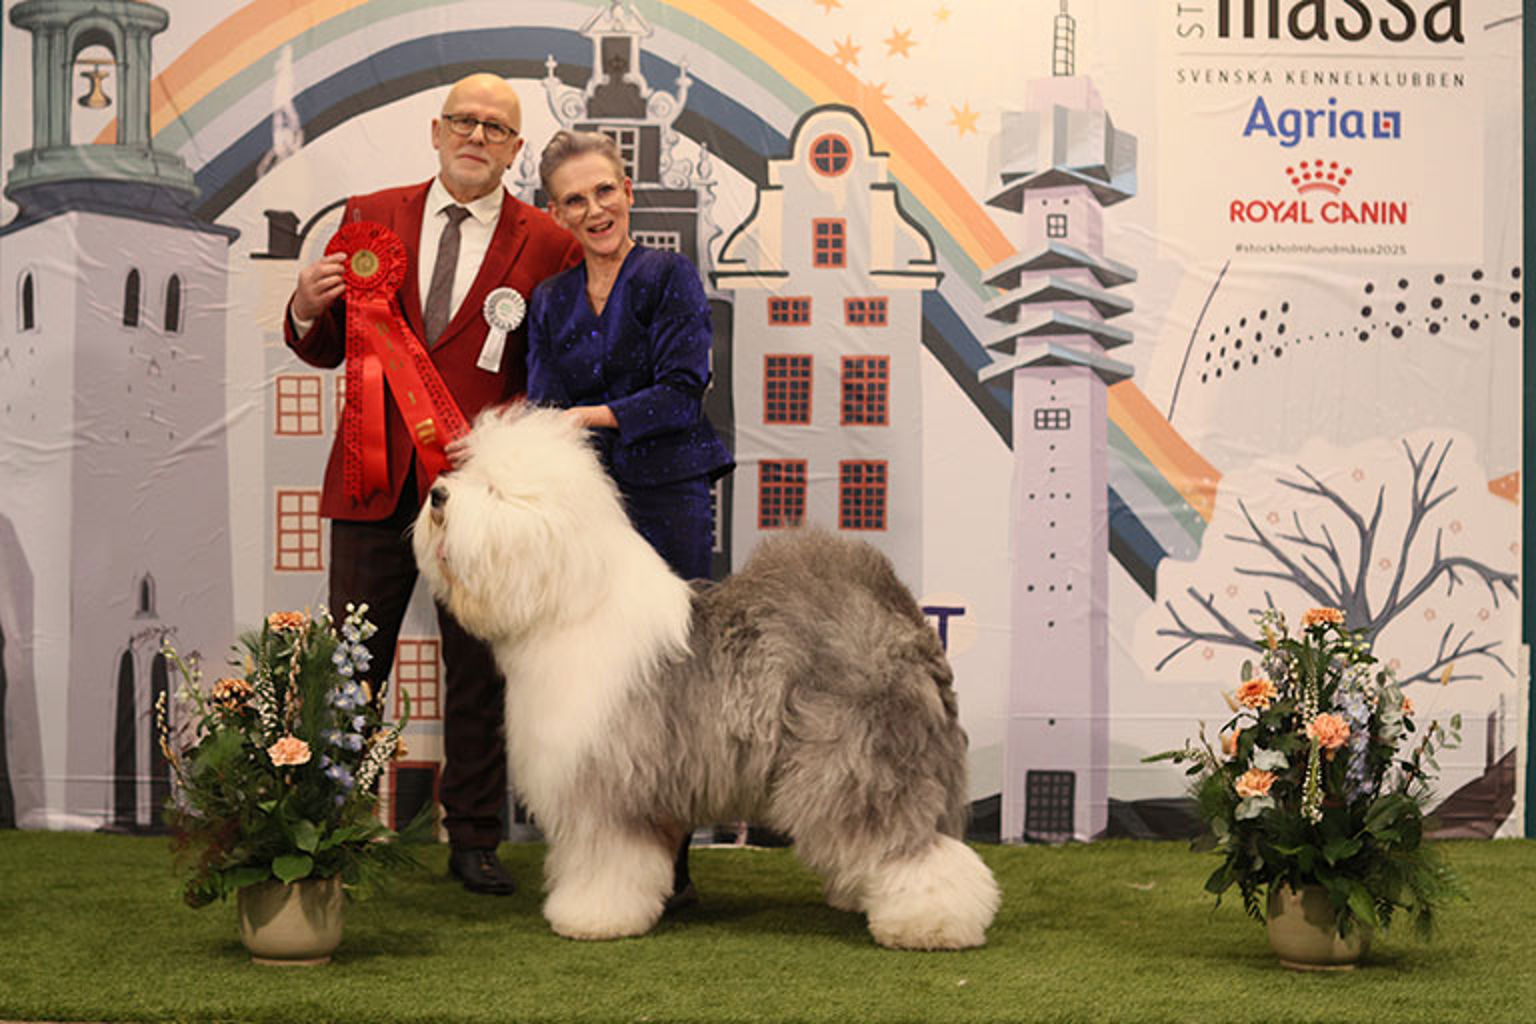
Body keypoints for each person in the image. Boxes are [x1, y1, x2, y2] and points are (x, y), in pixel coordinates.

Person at [284, 73, 581, 895]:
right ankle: (320, 832)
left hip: (485, 503)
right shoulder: (368, 215)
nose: (477, 136)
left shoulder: (549, 244)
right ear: (436, 130)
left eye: (496, 128)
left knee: (479, 678)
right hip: (372, 480)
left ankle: (475, 838)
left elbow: (550, 375)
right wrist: (305, 306)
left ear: (516, 151)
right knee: (351, 670)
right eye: (464, 121)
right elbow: (328, 346)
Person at [527, 130, 733, 907]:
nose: (595, 209)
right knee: (594, 682)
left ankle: (672, 862)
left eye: (605, 191)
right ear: (557, 213)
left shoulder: (670, 276)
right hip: (585, 511)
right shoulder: (549, 300)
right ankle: (612, 850)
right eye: (575, 200)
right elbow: (542, 407)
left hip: (668, 495)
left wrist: (591, 416)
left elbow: (683, 391)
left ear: (629, 192)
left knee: (671, 684)